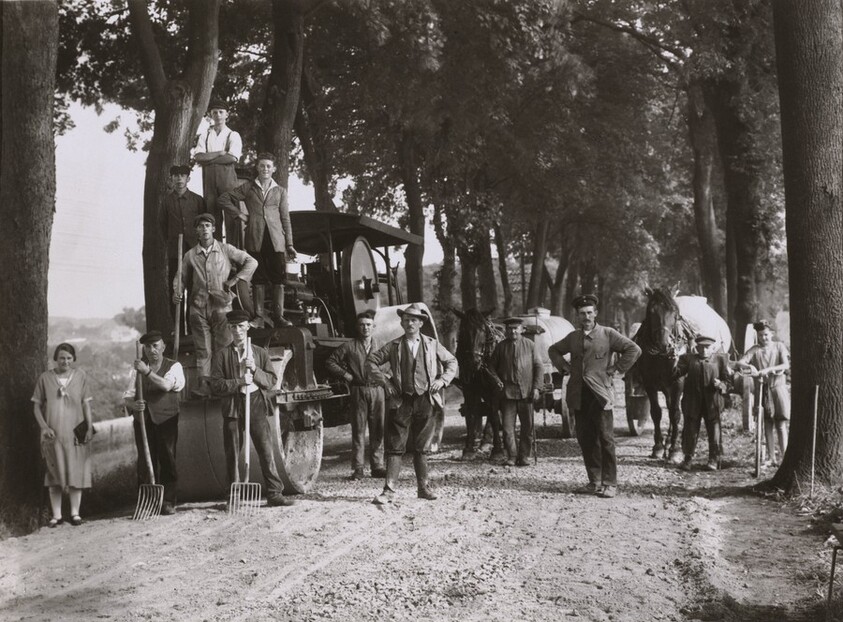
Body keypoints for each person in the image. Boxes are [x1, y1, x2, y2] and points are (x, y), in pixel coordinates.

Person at [548, 294, 641, 498]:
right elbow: (553, 350)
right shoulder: (573, 337)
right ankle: (594, 481)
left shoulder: (608, 334)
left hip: (600, 395)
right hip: (579, 395)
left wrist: (616, 369)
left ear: (596, 313)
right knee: (585, 438)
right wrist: (564, 367)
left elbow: (633, 349)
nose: (586, 316)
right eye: (582, 313)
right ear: (578, 316)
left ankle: (610, 483)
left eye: (590, 312)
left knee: (606, 438)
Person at [367, 303, 458, 504]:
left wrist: (442, 381)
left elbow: (452, 362)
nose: (410, 323)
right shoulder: (393, 346)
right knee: (395, 447)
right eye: (406, 319)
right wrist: (386, 382)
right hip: (401, 402)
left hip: (426, 400)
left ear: (420, 323)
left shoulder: (432, 344)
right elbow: (371, 362)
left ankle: (423, 488)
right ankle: (389, 491)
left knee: (421, 447)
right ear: (401, 322)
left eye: (414, 320)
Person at [209, 309, 295, 508]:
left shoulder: (259, 353)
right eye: (233, 327)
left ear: (248, 327)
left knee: (265, 449)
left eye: (241, 326)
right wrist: (238, 382)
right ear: (229, 329)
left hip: (255, 401)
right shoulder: (222, 355)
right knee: (232, 452)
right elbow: (216, 385)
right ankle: (234, 497)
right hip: (233, 405)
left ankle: (274, 494)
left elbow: (272, 381)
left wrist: (255, 370)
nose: (237, 331)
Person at [174, 213, 257, 381]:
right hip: (198, 307)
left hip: (222, 307)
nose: (204, 229)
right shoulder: (190, 255)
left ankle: (224, 382)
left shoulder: (225, 249)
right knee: (203, 350)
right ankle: (204, 385)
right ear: (196, 230)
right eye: (200, 226)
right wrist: (177, 291)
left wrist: (235, 280)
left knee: (224, 348)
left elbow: (252, 262)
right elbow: (180, 277)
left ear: (213, 229)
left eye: (207, 226)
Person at [217, 152, 297, 327]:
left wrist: (289, 244)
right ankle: (259, 317)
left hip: (276, 242)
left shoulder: (280, 191)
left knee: (278, 279)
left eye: (268, 166)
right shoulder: (248, 188)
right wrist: (240, 214)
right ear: (257, 168)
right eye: (262, 166)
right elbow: (224, 199)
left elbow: (286, 219)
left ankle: (278, 317)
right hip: (255, 239)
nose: (265, 169)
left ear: (273, 169)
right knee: (258, 278)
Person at [31, 343, 94, 527]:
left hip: (76, 432)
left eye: (68, 358)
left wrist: (89, 427)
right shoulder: (45, 378)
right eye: (61, 358)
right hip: (53, 433)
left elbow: (86, 404)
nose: (65, 361)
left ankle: (75, 514)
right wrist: (44, 427)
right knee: (54, 474)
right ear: (55, 359)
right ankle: (56, 516)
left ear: (73, 359)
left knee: (76, 472)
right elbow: (36, 406)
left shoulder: (81, 376)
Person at [123, 330, 186, 514]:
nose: (152, 350)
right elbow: (126, 397)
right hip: (143, 421)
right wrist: (134, 404)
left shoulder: (174, 366)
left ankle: (168, 501)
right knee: (145, 460)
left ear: (163, 347)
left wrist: (147, 371)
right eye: (148, 346)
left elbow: (166, 386)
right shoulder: (136, 371)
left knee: (167, 458)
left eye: (155, 346)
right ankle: (148, 501)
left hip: (166, 418)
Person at [325, 310, 386, 480]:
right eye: (362, 325)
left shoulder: (381, 345)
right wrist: (346, 375)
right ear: (357, 327)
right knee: (358, 431)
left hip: (377, 391)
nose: (365, 328)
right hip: (358, 391)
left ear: (374, 326)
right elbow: (330, 362)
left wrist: (384, 377)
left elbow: (392, 363)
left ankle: (377, 466)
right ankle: (358, 468)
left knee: (378, 429)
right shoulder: (349, 346)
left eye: (368, 325)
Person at [488, 317, 543, 466]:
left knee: (528, 428)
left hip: (527, 393)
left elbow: (538, 367)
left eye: (516, 328)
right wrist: (497, 381)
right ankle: (512, 456)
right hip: (507, 394)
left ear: (522, 330)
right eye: (510, 328)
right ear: (506, 331)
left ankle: (524, 456)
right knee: (507, 429)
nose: (513, 331)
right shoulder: (500, 347)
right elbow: (491, 367)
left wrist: (537, 388)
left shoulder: (530, 345)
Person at [735, 319, 791, 466]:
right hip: (763, 388)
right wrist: (751, 368)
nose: (763, 338)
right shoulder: (755, 349)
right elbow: (740, 362)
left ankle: (784, 457)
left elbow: (786, 364)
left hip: (778, 387)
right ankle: (771, 457)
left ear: (771, 334)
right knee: (767, 423)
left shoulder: (779, 347)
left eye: (766, 335)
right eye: (760, 335)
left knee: (781, 423)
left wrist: (769, 369)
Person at [674, 335, 731, 471]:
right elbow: (675, 374)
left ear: (713, 348)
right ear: (696, 347)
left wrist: (721, 384)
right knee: (690, 429)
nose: (704, 351)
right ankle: (688, 459)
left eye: (707, 347)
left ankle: (714, 459)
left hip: (712, 402)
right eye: (701, 347)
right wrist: (672, 361)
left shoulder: (720, 360)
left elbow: (729, 382)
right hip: (692, 401)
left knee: (714, 429)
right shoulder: (687, 359)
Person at [160, 164, 207, 314]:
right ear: (171, 179)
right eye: (176, 176)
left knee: (195, 287)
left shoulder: (197, 200)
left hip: (194, 249)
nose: (179, 179)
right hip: (176, 251)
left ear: (188, 179)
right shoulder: (167, 201)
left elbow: (204, 223)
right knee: (176, 288)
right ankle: (177, 327)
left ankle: (193, 326)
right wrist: (170, 242)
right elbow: (162, 225)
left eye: (183, 176)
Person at [193, 100, 243, 243]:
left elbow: (232, 157)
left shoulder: (233, 135)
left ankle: (233, 255)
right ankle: (215, 253)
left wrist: (209, 160)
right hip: (209, 181)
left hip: (227, 180)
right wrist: (220, 153)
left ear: (227, 114)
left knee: (231, 216)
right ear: (210, 114)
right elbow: (198, 157)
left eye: (221, 112)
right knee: (211, 217)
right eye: (215, 112)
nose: (218, 115)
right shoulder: (205, 135)